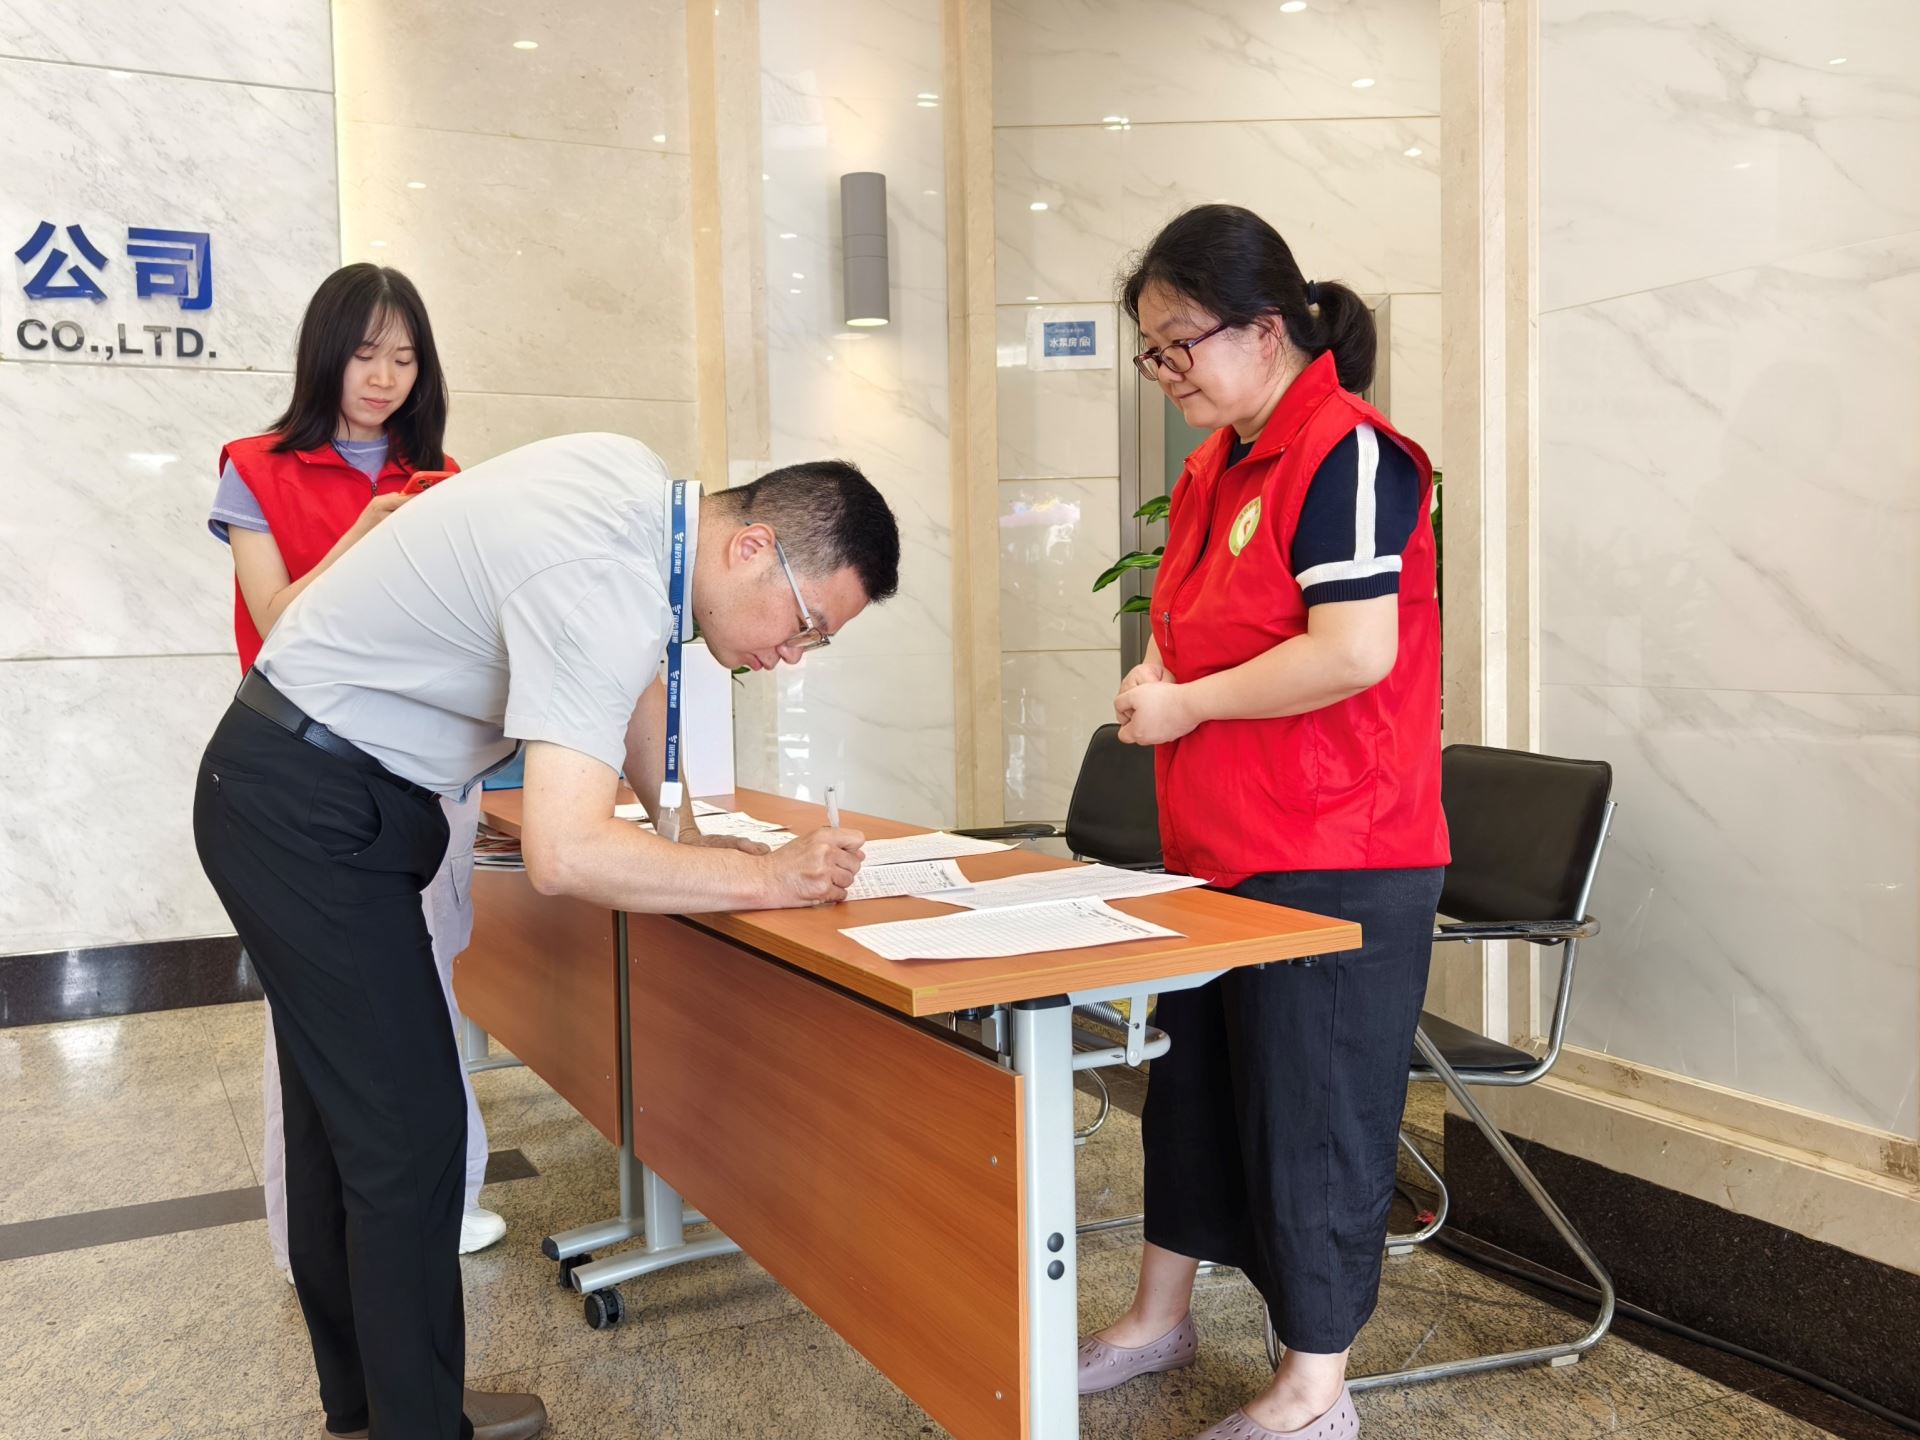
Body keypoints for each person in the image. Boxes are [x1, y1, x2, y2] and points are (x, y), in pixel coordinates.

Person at [193, 429, 899, 1439]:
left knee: (341, 1125)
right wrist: (766, 877)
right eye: (807, 625)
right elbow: (564, 854)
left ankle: (377, 1409)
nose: (791, 657)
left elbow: (636, 666)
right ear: (753, 549)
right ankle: (412, 1422)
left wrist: (675, 826)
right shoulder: (610, 576)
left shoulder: (637, 495)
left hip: (293, 781)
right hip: (311, 807)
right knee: (408, 1140)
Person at [1079, 204, 1449, 1440]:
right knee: (1190, 1097)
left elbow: (1352, 652)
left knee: (1313, 1119)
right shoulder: (1213, 467)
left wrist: (1184, 704)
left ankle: (1314, 1387)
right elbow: (1202, 634)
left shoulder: (1349, 455)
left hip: (1337, 852)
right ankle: (1159, 1317)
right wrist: (1158, 678)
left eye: (1181, 342)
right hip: (1222, 845)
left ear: (1267, 326)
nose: (1166, 370)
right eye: (1154, 349)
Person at [205, 263, 507, 1276]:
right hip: (311, 777)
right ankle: (311, 1236)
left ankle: (447, 1204)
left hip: (425, 778)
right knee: (314, 1018)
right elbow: (277, 620)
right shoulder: (254, 469)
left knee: (429, 994)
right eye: (367, 354)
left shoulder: (443, 476)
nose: (384, 378)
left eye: (406, 358)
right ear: (325, 354)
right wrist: (364, 536)